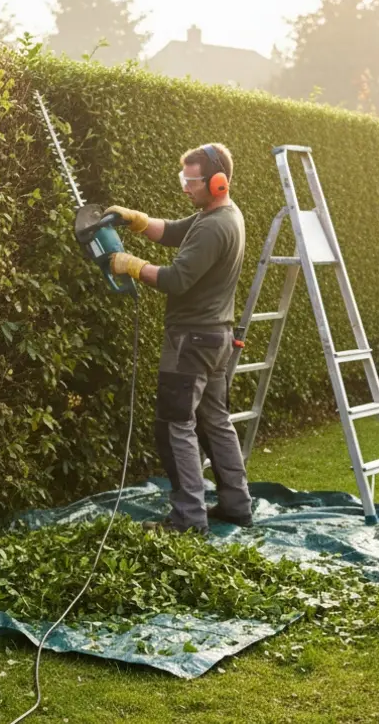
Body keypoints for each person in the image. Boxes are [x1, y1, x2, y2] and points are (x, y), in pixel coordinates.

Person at [104, 143, 252, 534]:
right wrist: (137, 220)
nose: (185, 187)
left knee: (174, 425)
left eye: (192, 181)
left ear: (218, 183)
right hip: (215, 336)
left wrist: (131, 265)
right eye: (182, 179)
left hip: (192, 341)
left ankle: (188, 518)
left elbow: (176, 279)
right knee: (215, 421)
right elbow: (172, 232)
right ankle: (237, 504)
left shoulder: (216, 225)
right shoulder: (219, 215)